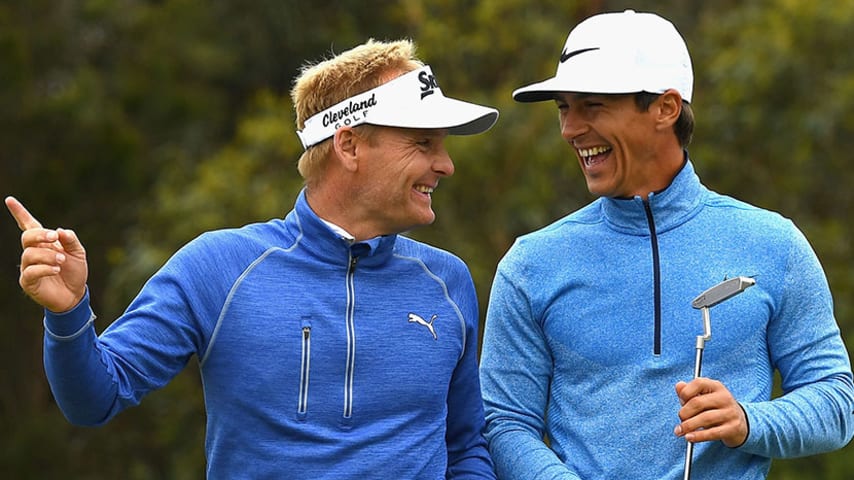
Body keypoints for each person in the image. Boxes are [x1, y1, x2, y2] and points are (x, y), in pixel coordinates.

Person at [6, 38, 499, 479]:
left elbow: (466, 445)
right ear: (349, 144)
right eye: (423, 142)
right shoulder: (217, 267)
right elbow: (95, 399)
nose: (446, 164)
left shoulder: (447, 282)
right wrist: (68, 313)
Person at [479, 9, 853, 480]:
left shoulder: (774, 244)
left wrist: (748, 420)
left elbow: (836, 403)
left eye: (592, 106)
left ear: (666, 108)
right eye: (564, 108)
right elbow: (505, 423)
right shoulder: (530, 264)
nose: (570, 129)